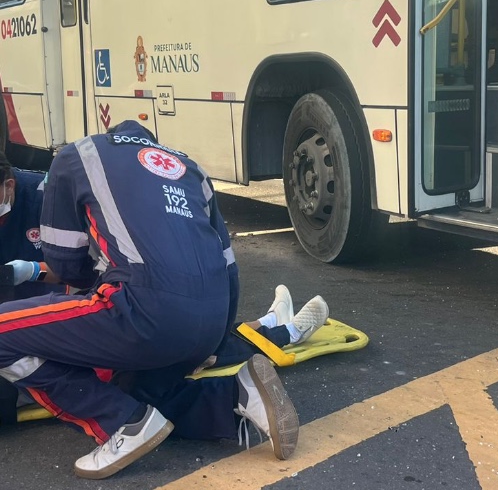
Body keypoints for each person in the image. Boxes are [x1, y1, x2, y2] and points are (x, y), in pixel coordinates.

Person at [0, 121, 328, 479]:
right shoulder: (191, 170)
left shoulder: (77, 156)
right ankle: (235, 396)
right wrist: (214, 342)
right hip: (210, 319)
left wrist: (62, 276)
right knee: (137, 391)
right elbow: (229, 268)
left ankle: (120, 423)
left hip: (140, 307)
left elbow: (66, 264)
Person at [0, 151, 64, 301]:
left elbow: (69, 272)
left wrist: (33, 271)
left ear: (9, 185)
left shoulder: (49, 197)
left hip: (42, 298)